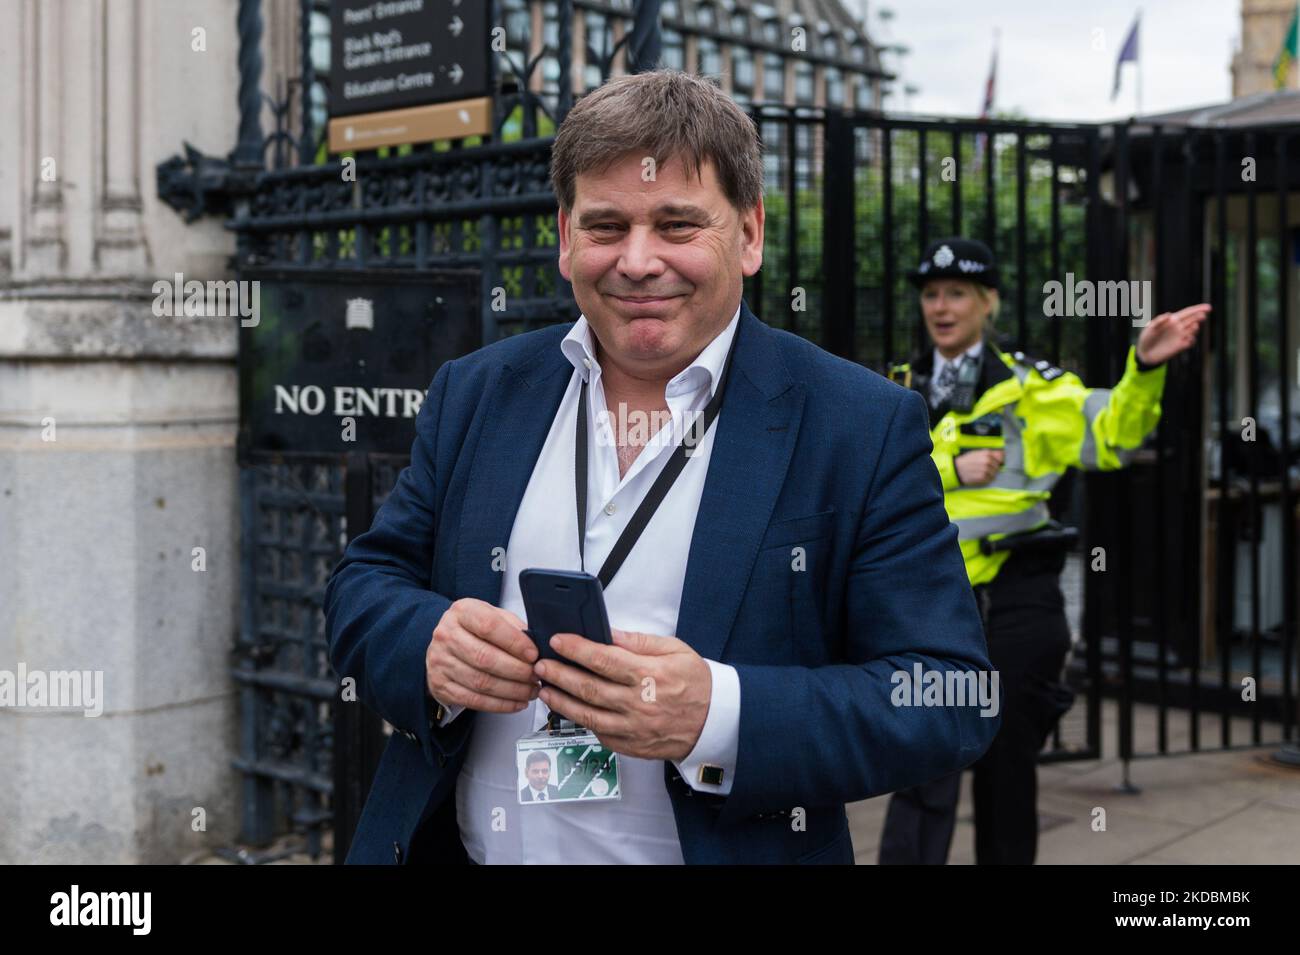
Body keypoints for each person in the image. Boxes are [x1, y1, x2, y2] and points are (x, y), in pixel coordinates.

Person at [324, 71, 998, 866]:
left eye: (677, 224)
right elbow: (363, 583)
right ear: (567, 235)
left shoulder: (859, 423)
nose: (638, 261)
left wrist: (718, 713)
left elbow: (950, 695)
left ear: (748, 235)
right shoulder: (476, 391)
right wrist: (427, 642)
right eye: (607, 226)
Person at [878, 237, 1209, 865]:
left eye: (957, 294)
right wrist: (951, 463)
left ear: (988, 302)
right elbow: (866, 478)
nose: (941, 307)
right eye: (930, 294)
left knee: (1007, 775)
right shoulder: (893, 388)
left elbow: (1111, 436)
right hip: (928, 608)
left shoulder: (1034, 388)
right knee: (922, 771)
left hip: (1016, 602)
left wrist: (1144, 366)